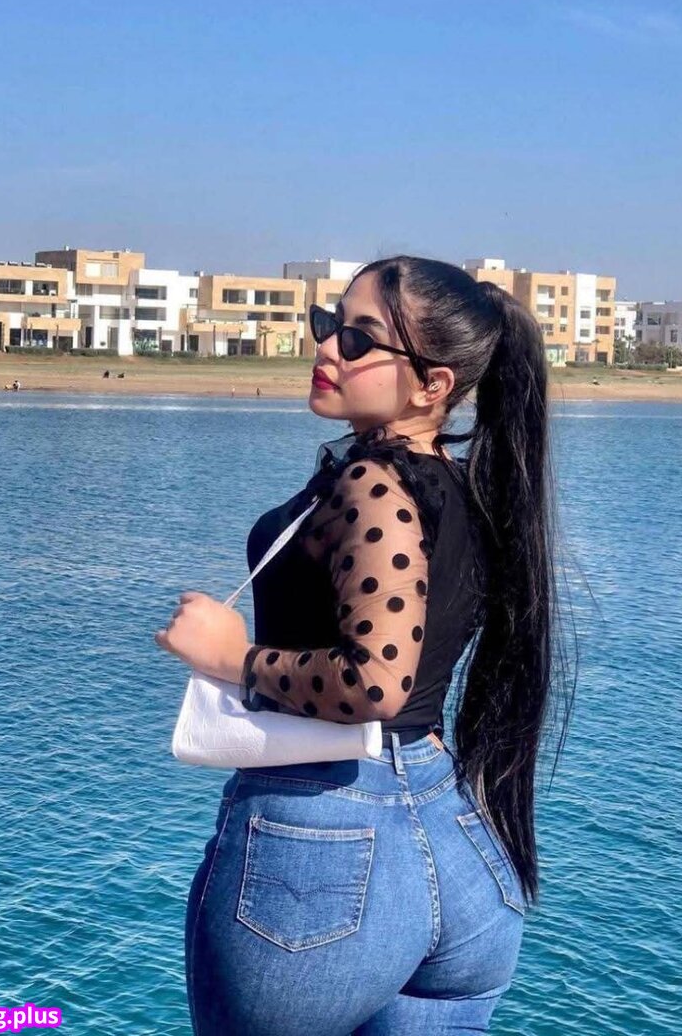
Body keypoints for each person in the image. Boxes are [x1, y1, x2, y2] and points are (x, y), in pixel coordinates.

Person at [156, 256, 574, 1034]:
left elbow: (376, 683)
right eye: (329, 325)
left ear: (433, 385)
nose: (327, 348)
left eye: (359, 339)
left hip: (326, 843)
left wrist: (228, 658)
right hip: (456, 838)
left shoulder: (375, 484)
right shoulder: (466, 488)